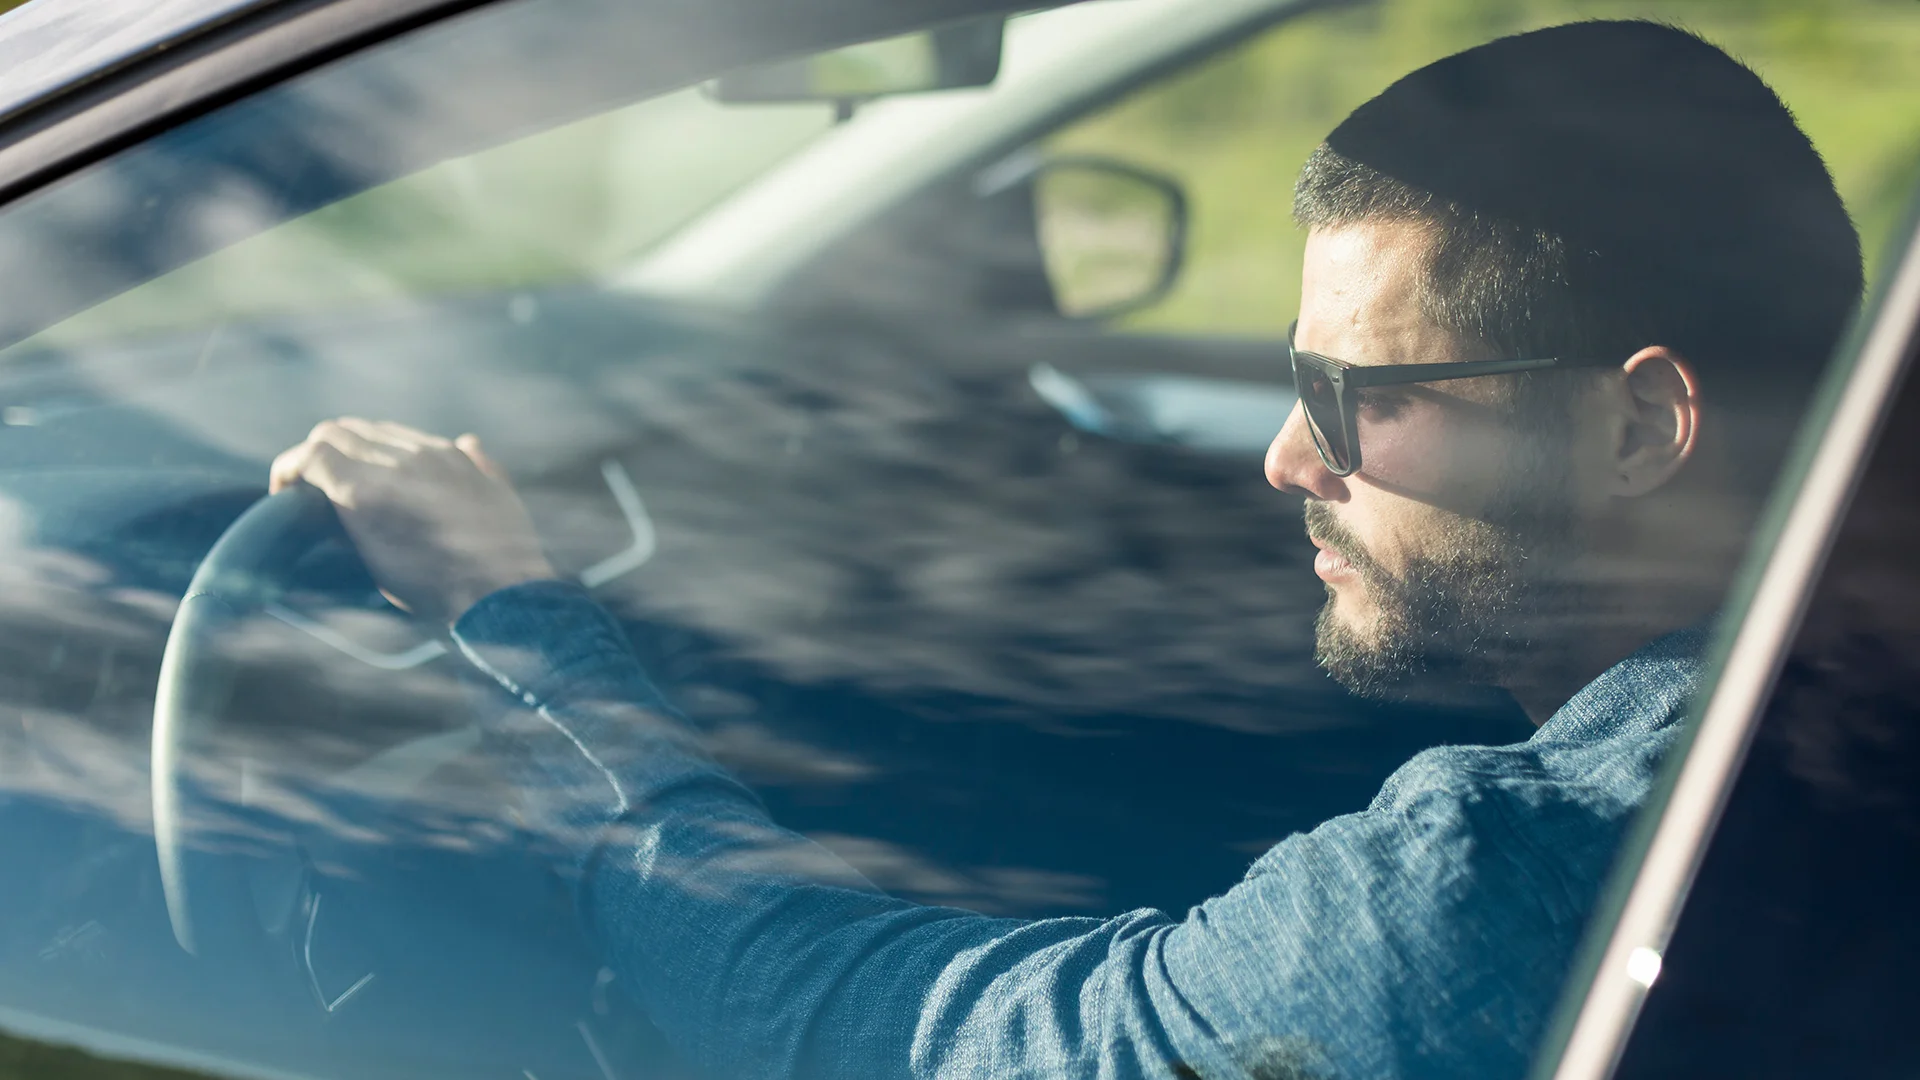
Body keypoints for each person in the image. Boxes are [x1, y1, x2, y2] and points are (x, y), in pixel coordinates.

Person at [270, 20, 1862, 1080]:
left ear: (1644, 431)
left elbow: (870, 1033)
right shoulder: (1844, 712)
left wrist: (518, 616)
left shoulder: (1516, 886)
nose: (1285, 456)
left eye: (1351, 397)